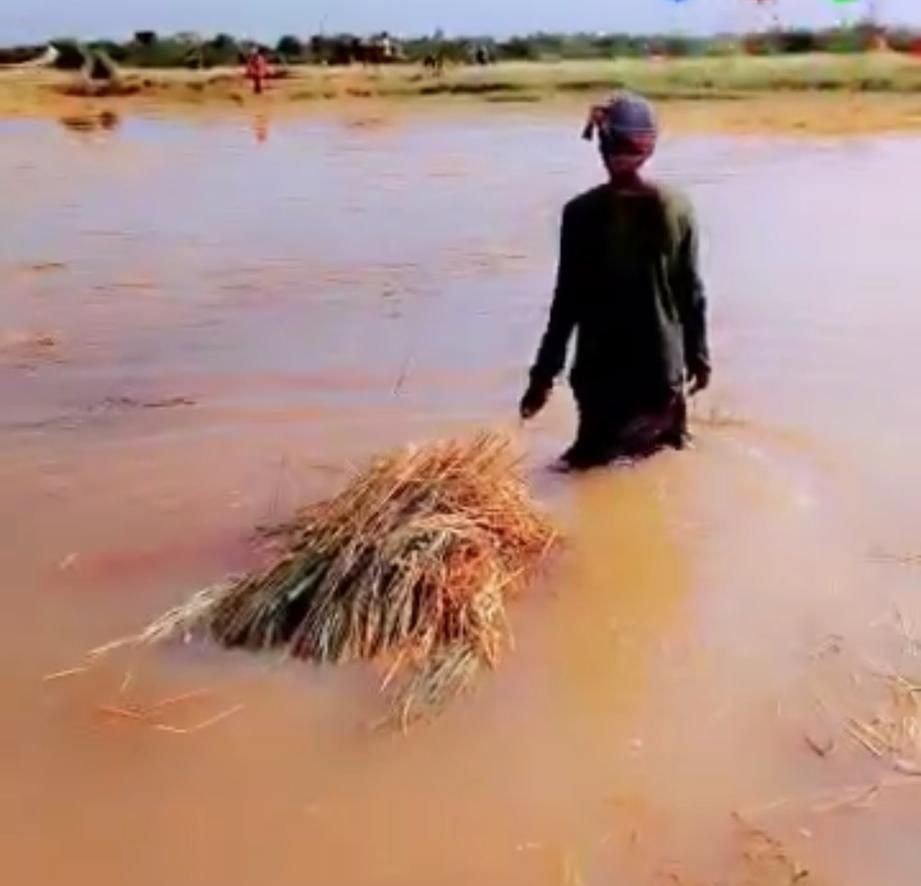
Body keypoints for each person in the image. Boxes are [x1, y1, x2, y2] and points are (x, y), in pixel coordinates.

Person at [519, 92, 710, 470]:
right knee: (662, 462)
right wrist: (698, 356)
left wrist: (543, 377)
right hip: (660, 369)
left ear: (602, 148)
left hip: (599, 375)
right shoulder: (677, 207)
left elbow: (566, 304)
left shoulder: (580, 213)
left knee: (590, 469)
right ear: (649, 147)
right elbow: (692, 293)